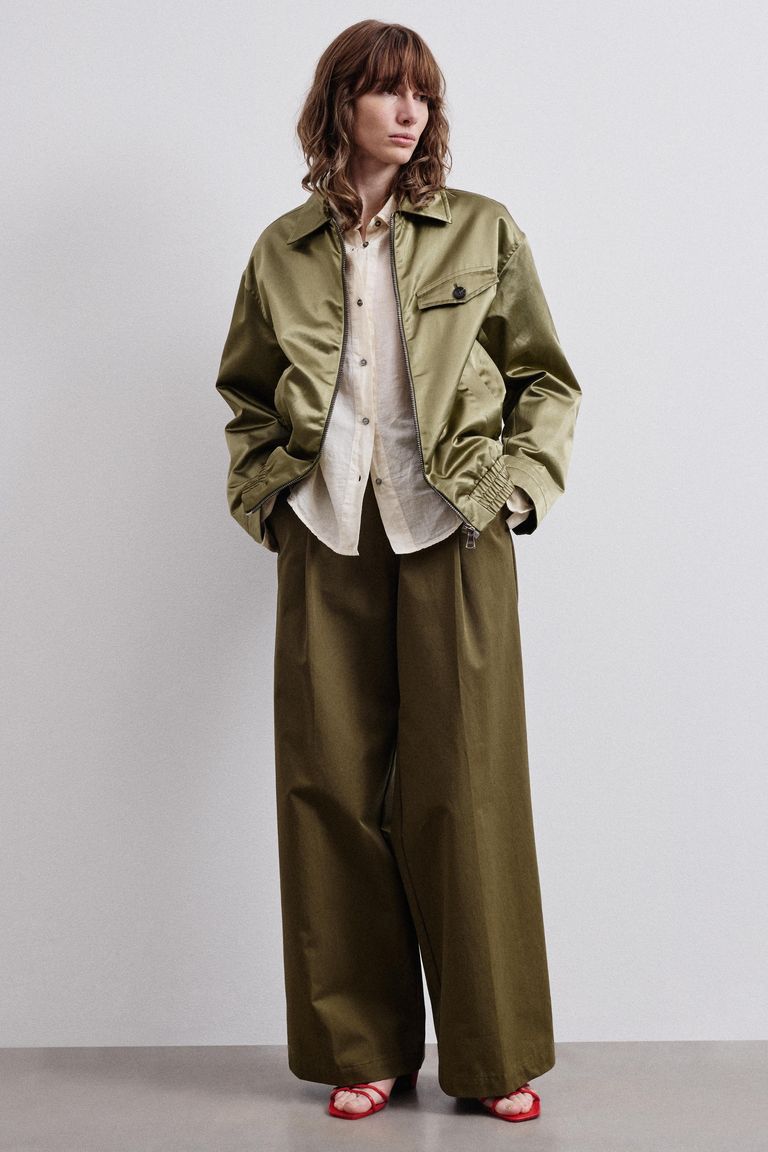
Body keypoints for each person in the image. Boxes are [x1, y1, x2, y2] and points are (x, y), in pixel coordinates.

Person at [215, 19, 581, 1123]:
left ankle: (492, 1052)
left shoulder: (482, 229)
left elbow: (545, 381)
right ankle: (360, 1048)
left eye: (421, 91)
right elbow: (245, 394)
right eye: (385, 90)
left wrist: (515, 491)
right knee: (329, 788)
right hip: (327, 530)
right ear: (340, 106)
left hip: (453, 531)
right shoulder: (282, 250)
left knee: (463, 788)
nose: (409, 109)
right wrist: (268, 500)